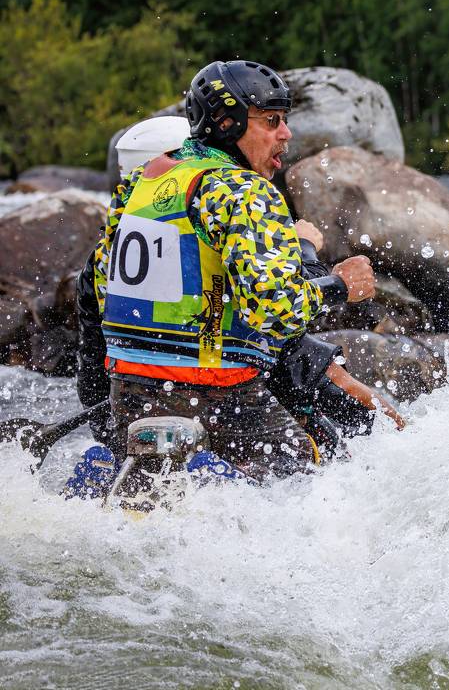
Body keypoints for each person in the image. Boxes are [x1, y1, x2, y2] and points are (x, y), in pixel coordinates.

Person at [88, 60, 400, 481]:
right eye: (271, 121)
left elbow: (102, 290)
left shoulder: (137, 186)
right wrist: (340, 285)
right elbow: (276, 310)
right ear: (226, 123)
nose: (286, 134)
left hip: (128, 396)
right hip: (218, 396)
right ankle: (220, 473)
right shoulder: (244, 189)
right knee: (314, 481)